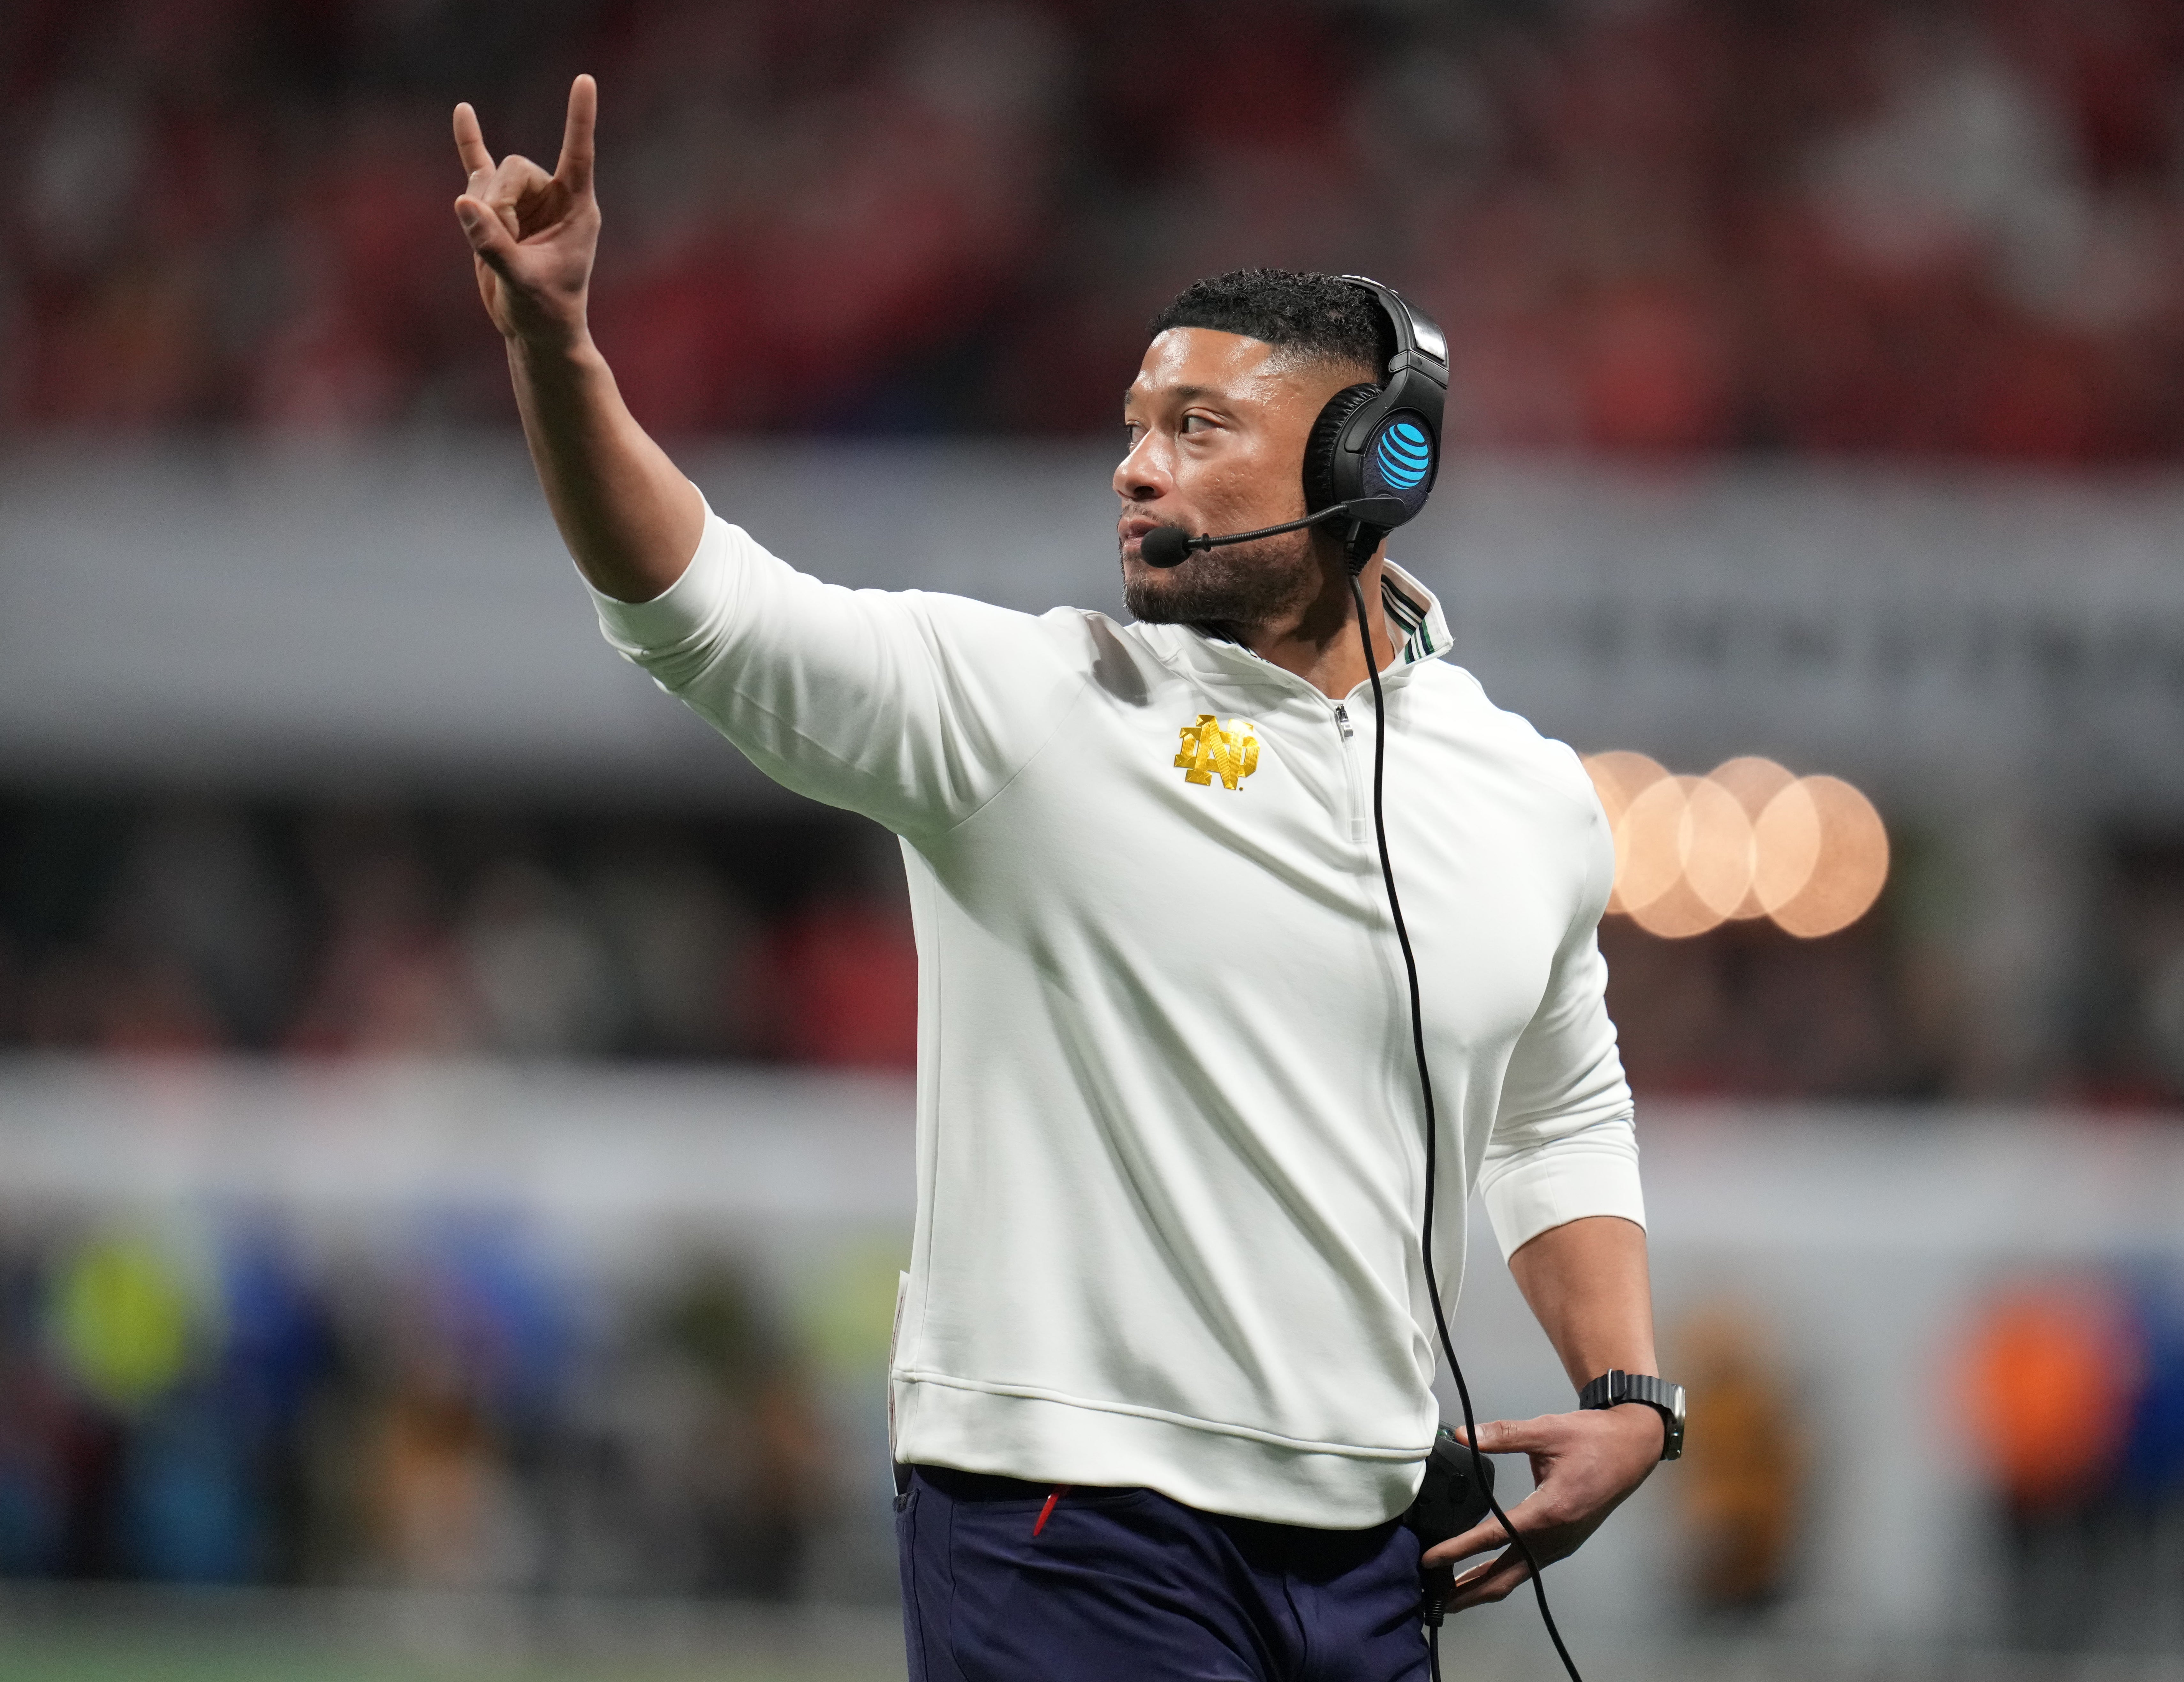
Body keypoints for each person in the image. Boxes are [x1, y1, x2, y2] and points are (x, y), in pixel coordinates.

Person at [451, 75, 1674, 1682]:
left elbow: (1555, 1101)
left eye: (1197, 430)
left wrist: (1628, 1394)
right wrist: (560, 348)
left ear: (1379, 464)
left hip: (1379, 1549)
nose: (1136, 471)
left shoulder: (1525, 795)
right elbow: (702, 607)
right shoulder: (1024, 712)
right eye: (1132, 430)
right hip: (1065, 1524)